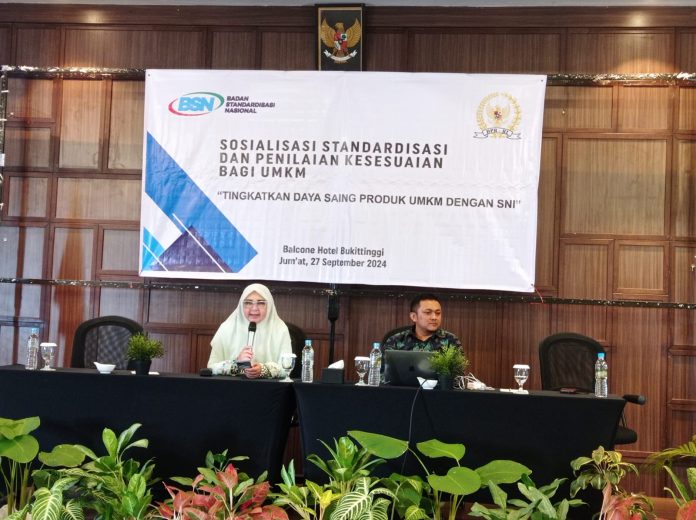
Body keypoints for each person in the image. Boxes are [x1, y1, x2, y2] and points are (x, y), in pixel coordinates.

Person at [208, 283, 292, 379]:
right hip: (232, 385)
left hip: (269, 387)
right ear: (241, 305)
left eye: (261, 303)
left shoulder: (280, 329)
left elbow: (287, 367)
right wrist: (238, 365)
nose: (254, 308)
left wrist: (263, 369)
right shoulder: (226, 328)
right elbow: (211, 366)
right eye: (248, 303)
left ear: (269, 305)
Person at [383, 293, 462, 351]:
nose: (434, 317)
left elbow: (458, 369)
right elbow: (386, 369)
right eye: (428, 313)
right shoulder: (395, 340)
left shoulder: (451, 340)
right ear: (414, 317)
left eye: (438, 313)